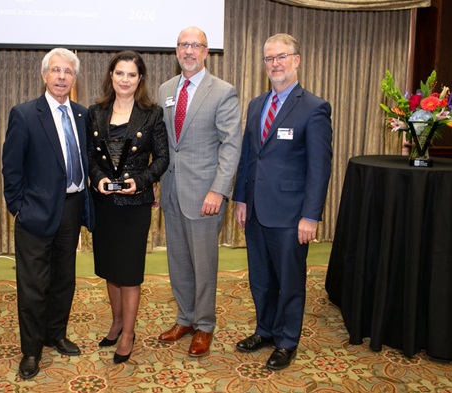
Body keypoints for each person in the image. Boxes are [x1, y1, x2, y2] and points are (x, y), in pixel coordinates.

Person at [232, 33, 333, 371]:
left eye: (281, 57)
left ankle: (287, 341)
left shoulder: (314, 108)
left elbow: (320, 168)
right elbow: (250, 155)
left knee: (290, 281)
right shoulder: (257, 104)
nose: (274, 64)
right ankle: (265, 330)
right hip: (257, 210)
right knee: (261, 278)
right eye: (269, 58)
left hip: (291, 215)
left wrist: (311, 216)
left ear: (296, 60)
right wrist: (241, 199)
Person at [1, 48, 94, 380]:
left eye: (67, 72)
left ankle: (56, 333)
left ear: (74, 78)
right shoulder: (25, 114)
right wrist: (19, 209)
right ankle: (31, 350)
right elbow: (11, 170)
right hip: (35, 215)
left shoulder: (83, 115)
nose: (61, 77)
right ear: (44, 75)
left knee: (63, 281)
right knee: (33, 286)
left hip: (71, 210)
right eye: (55, 70)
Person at [157, 26, 242, 357]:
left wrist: (219, 190)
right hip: (171, 191)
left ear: (207, 52)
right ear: (176, 51)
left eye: (196, 46)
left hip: (205, 195)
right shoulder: (166, 89)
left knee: (204, 265)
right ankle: (185, 318)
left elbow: (231, 145)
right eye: (183, 45)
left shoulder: (222, 91)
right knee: (178, 261)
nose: (188, 51)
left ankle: (204, 325)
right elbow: (164, 144)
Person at [87, 51, 169, 364]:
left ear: (140, 79)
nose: (125, 80)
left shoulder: (152, 114)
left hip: (135, 204)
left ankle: (128, 333)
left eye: (131, 75)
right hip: (105, 202)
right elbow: (90, 157)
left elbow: (162, 158)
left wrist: (142, 181)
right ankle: (117, 321)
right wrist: (98, 180)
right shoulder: (95, 112)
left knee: (130, 271)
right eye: (119, 73)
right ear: (111, 76)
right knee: (110, 267)